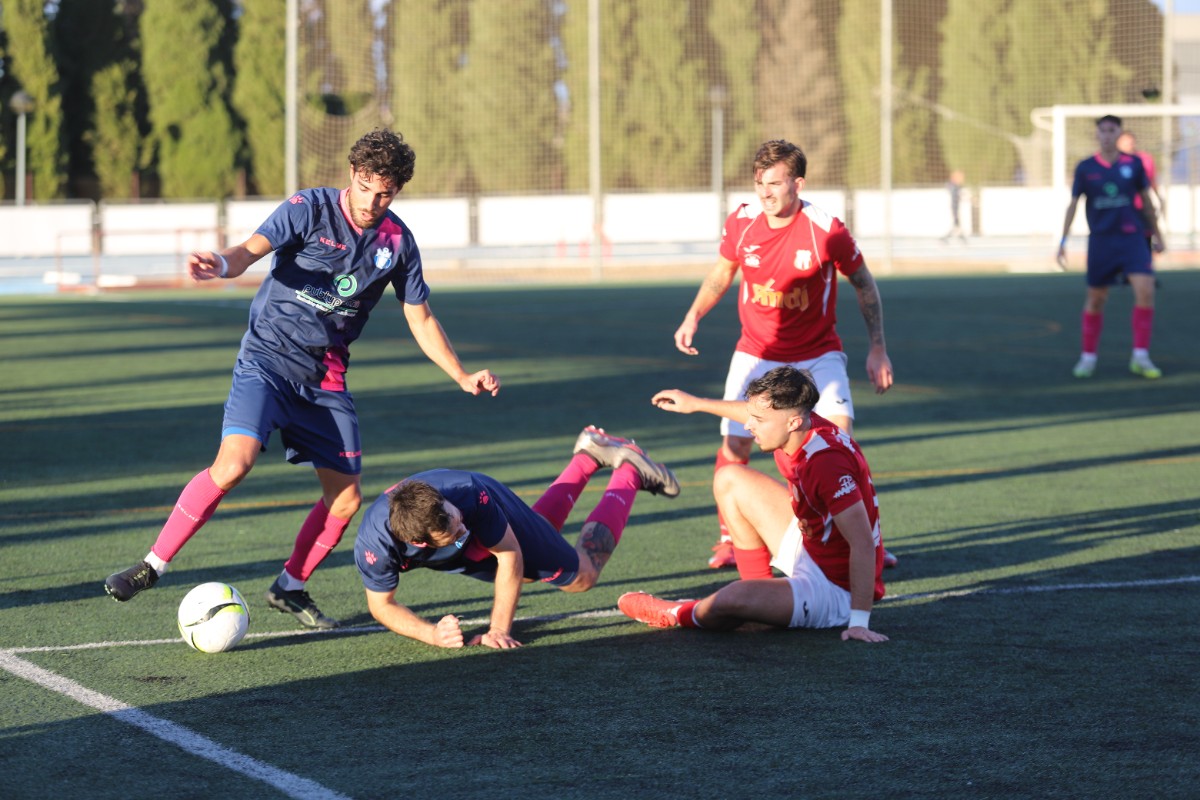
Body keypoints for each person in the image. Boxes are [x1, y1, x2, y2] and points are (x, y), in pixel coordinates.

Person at [104, 129, 501, 629]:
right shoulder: (308, 208)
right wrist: (219, 263)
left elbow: (419, 316)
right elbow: (247, 252)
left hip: (325, 379)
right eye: (365, 188)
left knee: (346, 499)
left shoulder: (398, 242)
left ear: (397, 190)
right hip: (267, 361)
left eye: (385, 194)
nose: (372, 202)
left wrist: (460, 374)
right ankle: (152, 565)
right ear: (352, 175)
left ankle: (290, 586)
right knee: (234, 465)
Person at [671, 138, 895, 570]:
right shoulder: (742, 223)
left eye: (774, 183)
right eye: (759, 183)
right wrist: (692, 316)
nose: (765, 193)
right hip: (757, 352)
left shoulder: (826, 230)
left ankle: (866, 540)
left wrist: (878, 348)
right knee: (736, 441)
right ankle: (730, 538)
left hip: (817, 354)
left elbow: (864, 283)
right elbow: (722, 272)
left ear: (798, 183)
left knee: (840, 441)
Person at [618, 366, 887, 643]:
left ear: (793, 423)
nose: (748, 425)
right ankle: (762, 594)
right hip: (812, 544)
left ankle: (678, 612)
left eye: (758, 420)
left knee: (732, 597)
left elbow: (863, 543)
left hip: (835, 590)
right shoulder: (802, 422)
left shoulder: (826, 463)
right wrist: (696, 404)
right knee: (730, 478)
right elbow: (755, 413)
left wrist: (858, 623)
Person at [353, 426, 679, 648]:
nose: (463, 529)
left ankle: (629, 471)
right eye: (453, 532)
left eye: (458, 520)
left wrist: (498, 630)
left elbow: (509, 554)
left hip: (487, 502)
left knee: (581, 577)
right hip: (451, 552)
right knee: (532, 557)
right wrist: (432, 634)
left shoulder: (467, 496)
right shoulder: (374, 545)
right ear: (419, 544)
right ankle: (589, 455)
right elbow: (381, 605)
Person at [1057, 115, 1165, 380]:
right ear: (1097, 135)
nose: (1107, 135)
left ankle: (1141, 356)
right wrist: (1063, 242)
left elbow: (1146, 202)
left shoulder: (1134, 164)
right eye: (1102, 130)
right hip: (1101, 241)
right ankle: (1088, 358)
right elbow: (1073, 205)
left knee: (1146, 290)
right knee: (1096, 299)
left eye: (1111, 130)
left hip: (1132, 239)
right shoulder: (1085, 167)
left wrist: (1158, 234)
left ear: (1119, 133)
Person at [1116, 130, 1165, 233]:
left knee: (1145, 234)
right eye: (1125, 142)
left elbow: (1152, 180)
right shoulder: (1112, 161)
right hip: (1119, 208)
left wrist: (1159, 197)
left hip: (1142, 207)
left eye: (1130, 142)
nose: (1128, 145)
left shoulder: (1144, 159)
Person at [941, 169, 968, 244]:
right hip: (954, 207)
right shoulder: (953, 186)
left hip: (955, 207)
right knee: (956, 224)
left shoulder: (955, 186)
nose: (962, 179)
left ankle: (961, 237)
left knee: (957, 224)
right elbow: (955, 195)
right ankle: (947, 238)